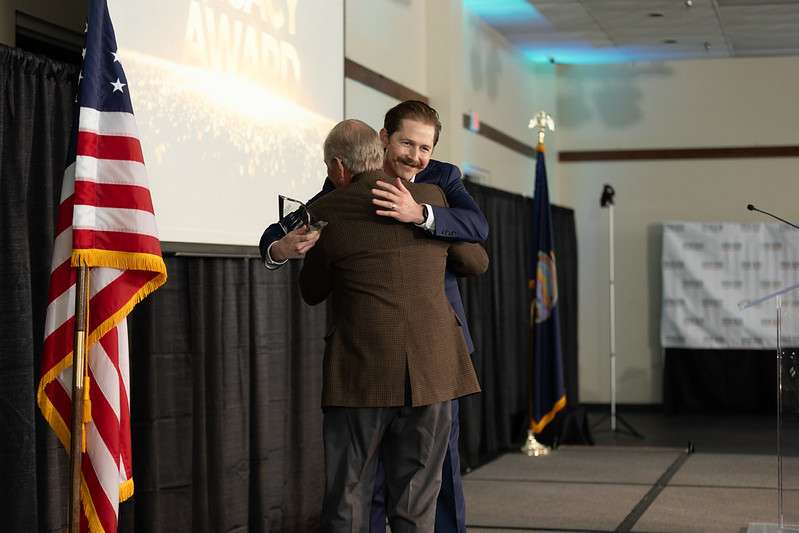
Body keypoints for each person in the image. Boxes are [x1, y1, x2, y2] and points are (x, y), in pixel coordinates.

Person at [258, 100, 488, 533]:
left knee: (433, 486)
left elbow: (478, 231)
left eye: (424, 148)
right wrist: (279, 249)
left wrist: (421, 216)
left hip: (427, 358)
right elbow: (281, 230)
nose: (415, 156)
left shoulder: (440, 183)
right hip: (391, 361)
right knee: (398, 488)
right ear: (384, 139)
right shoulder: (337, 195)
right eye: (406, 144)